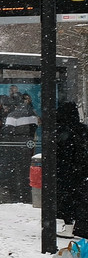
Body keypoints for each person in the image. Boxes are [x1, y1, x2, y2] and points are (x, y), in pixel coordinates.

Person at [54, 101, 88, 236]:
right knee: (79, 198)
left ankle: (68, 226)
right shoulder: (82, 129)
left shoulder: (62, 130)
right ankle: (77, 226)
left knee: (66, 198)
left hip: (65, 170)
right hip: (81, 170)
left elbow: (60, 151)